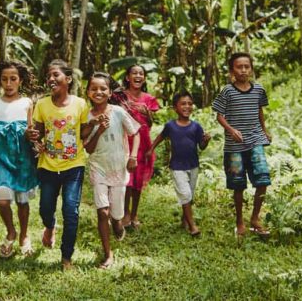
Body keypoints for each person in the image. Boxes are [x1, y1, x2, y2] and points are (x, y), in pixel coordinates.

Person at [26, 59, 94, 270]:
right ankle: (50, 226)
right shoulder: (42, 104)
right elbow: (37, 132)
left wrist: (93, 125)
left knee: (70, 210)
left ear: (68, 79)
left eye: (55, 75)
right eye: (48, 76)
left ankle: (66, 258)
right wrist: (32, 136)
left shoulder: (81, 104)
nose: (51, 79)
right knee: (46, 208)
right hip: (47, 165)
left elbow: (83, 133)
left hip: (74, 165)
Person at [83, 72, 140, 269]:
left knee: (116, 214)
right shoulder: (87, 117)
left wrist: (132, 156)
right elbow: (88, 148)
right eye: (94, 88)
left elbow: (136, 133)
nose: (98, 92)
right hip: (98, 167)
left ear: (109, 92)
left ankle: (118, 222)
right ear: (88, 92)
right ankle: (108, 254)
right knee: (102, 212)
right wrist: (97, 129)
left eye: (103, 89)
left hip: (118, 167)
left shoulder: (118, 112)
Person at [213, 52, 272, 237]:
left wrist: (265, 130)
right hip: (234, 147)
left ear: (251, 68)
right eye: (239, 67)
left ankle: (255, 218)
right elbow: (219, 116)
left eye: (247, 66)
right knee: (238, 185)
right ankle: (239, 221)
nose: (244, 70)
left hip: (256, 141)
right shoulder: (227, 91)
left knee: (262, 179)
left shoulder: (259, 90)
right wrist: (231, 130)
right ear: (232, 70)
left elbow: (259, 111)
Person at [0, 60, 39, 258]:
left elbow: (30, 128)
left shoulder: (27, 102)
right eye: (4, 79)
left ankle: (24, 235)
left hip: (21, 155)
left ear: (20, 80)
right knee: (2, 200)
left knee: (22, 200)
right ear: (0, 81)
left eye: (13, 79)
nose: (8, 84)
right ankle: (11, 231)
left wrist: (33, 139)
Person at [149, 93, 211, 237]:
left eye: (189, 103)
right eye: (183, 103)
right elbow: (161, 137)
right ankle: (192, 225)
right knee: (186, 194)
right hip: (176, 167)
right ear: (175, 108)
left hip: (193, 166)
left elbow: (201, 146)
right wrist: (151, 149)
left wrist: (206, 141)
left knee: (189, 195)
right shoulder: (170, 126)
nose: (187, 106)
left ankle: (184, 220)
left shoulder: (196, 127)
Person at [109, 64, 159, 230]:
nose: (138, 76)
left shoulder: (149, 99)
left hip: (143, 143)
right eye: (134, 73)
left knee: (137, 182)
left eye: (141, 74)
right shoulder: (120, 97)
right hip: (124, 142)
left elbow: (150, 124)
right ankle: (125, 214)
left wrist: (147, 114)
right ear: (127, 77)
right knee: (127, 182)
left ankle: (134, 214)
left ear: (144, 78)